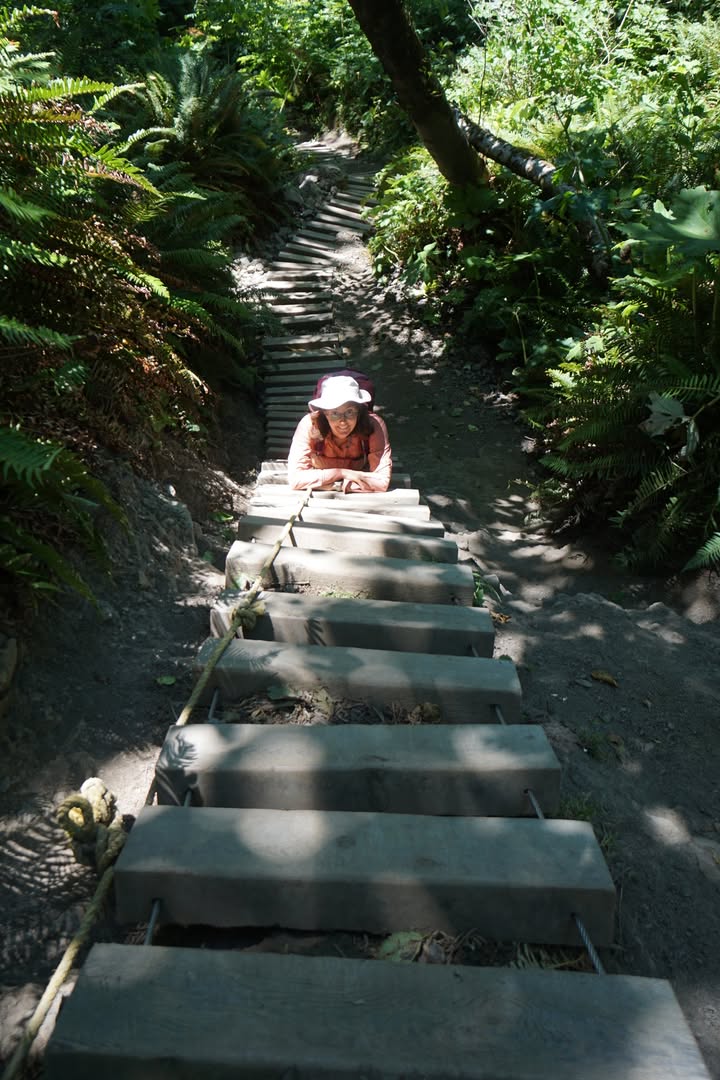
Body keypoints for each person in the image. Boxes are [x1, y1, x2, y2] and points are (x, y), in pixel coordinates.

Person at [287, 374, 392, 492]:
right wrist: (341, 473)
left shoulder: (374, 425)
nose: (342, 422)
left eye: (349, 412)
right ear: (324, 413)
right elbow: (295, 479)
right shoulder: (309, 424)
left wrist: (333, 485)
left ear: (359, 411)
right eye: (335, 413)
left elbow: (381, 481)